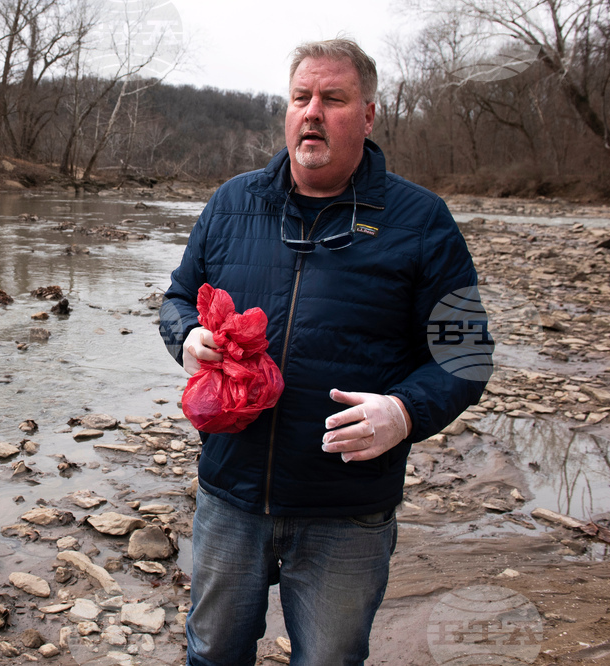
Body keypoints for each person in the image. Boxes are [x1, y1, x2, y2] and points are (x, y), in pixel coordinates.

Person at [158, 39, 492, 666]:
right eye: (300, 98)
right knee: (211, 653)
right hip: (231, 491)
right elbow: (177, 297)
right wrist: (186, 337)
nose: (311, 112)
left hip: (348, 508)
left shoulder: (422, 221)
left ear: (367, 116)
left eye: (332, 99)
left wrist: (405, 413)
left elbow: (466, 354)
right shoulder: (232, 203)